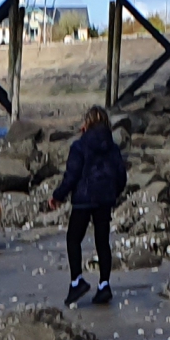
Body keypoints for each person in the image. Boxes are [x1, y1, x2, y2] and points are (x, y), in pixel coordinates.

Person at [44, 105, 126, 305]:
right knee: (102, 241)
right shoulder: (113, 147)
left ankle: (77, 281)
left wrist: (58, 196)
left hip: (83, 197)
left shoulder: (79, 146)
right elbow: (121, 176)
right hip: (104, 199)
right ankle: (104, 285)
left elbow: (71, 177)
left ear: (86, 123)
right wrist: (113, 193)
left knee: (74, 239)